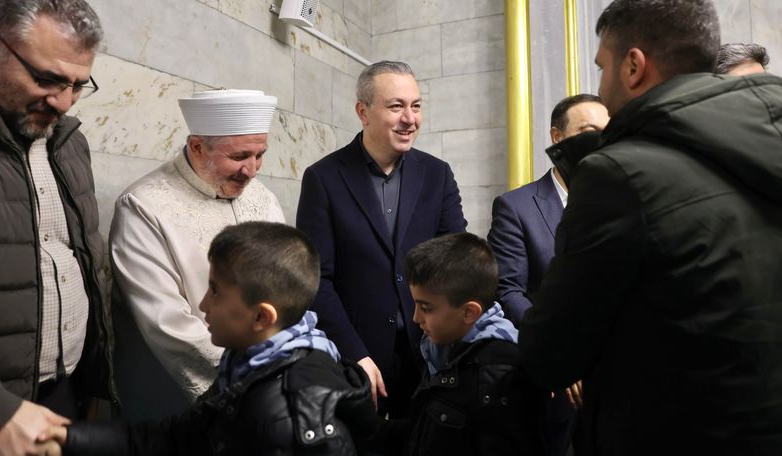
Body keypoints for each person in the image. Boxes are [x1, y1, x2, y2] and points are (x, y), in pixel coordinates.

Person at [519, 0, 782, 455]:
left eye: (602, 68)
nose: (600, 89)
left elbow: (550, 354)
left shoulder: (617, 175)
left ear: (634, 66)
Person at [45, 222, 380, 455]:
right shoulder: (246, 365)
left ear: (261, 317)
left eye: (216, 292)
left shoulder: (288, 415)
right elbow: (176, 439)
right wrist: (69, 437)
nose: (203, 305)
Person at [0, 0, 114, 455]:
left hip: (60, 398)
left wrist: (93, 383)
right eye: (47, 79)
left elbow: (84, 265)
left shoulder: (69, 143)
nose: (63, 103)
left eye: (77, 85)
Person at [296, 61, 467, 417]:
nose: (410, 118)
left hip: (431, 355)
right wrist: (355, 354)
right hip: (358, 360)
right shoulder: (323, 179)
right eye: (396, 106)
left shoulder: (437, 174)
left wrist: (449, 341)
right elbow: (315, 280)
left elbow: (456, 262)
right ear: (363, 112)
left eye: (416, 106)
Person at [110, 89, 285, 419]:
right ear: (197, 147)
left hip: (265, 388)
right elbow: (166, 323)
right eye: (238, 157)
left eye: (260, 155)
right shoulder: (143, 206)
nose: (252, 170)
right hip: (173, 398)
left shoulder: (264, 198)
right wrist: (247, 375)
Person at [488, 93, 608, 456]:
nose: (598, 141)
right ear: (558, 137)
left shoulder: (619, 201)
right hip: (552, 383)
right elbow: (508, 291)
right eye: (587, 130)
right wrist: (559, 352)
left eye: (606, 132)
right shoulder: (517, 207)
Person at [370, 233, 546, 455]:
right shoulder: (441, 347)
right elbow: (426, 433)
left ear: (469, 312)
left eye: (426, 308)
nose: (415, 318)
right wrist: (369, 425)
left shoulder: (499, 377)